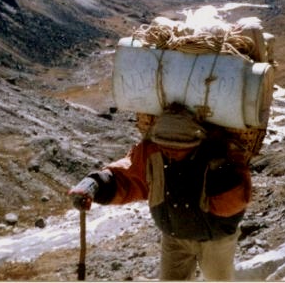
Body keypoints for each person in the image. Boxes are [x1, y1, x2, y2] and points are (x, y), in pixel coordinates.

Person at [68, 103, 252, 281]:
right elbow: (127, 175)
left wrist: (222, 175)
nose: (170, 151)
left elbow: (234, 204)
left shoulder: (221, 154)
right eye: (165, 145)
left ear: (195, 141)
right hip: (173, 238)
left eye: (177, 147)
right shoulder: (153, 151)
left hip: (215, 240)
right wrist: (95, 184)